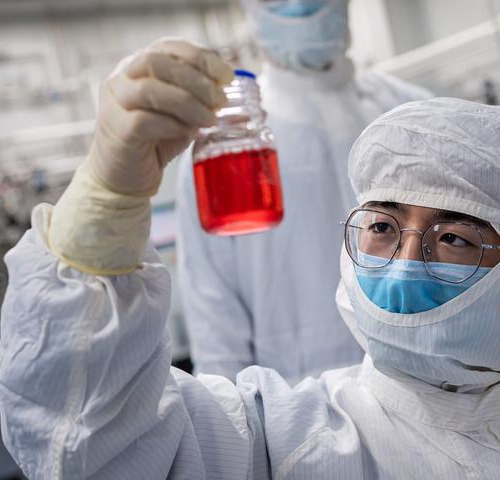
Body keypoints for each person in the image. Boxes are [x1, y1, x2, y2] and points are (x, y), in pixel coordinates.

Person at [0, 40, 500, 480]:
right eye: (382, 227)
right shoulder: (277, 442)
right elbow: (92, 445)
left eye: (454, 239)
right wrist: (105, 201)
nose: (406, 263)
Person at [175, 0, 432, 381]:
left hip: (425, 392)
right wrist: (238, 426)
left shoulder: (417, 114)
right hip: (293, 415)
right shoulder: (226, 145)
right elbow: (215, 321)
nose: (299, 5)